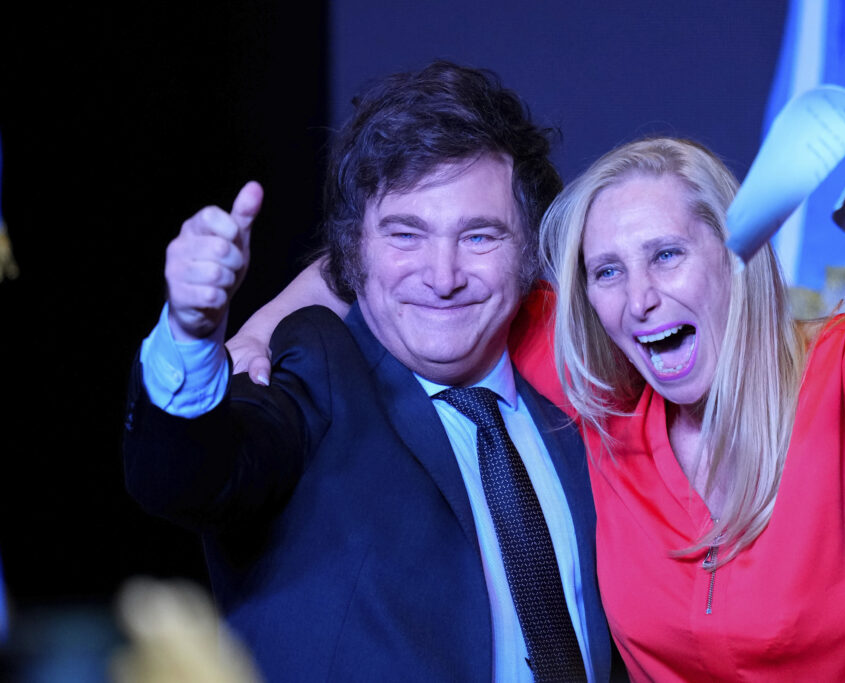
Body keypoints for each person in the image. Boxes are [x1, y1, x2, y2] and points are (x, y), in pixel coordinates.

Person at [229, 123, 845, 678]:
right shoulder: (601, 405)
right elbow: (400, 273)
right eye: (607, 271)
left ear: (736, 254)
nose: (638, 297)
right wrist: (256, 330)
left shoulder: (841, 374)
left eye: (667, 255)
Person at [122, 61, 621, 682]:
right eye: (406, 234)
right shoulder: (316, 372)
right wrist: (191, 334)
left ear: (530, 254)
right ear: (353, 250)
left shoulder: (573, 424)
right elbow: (188, 477)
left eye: (480, 237)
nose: (443, 278)